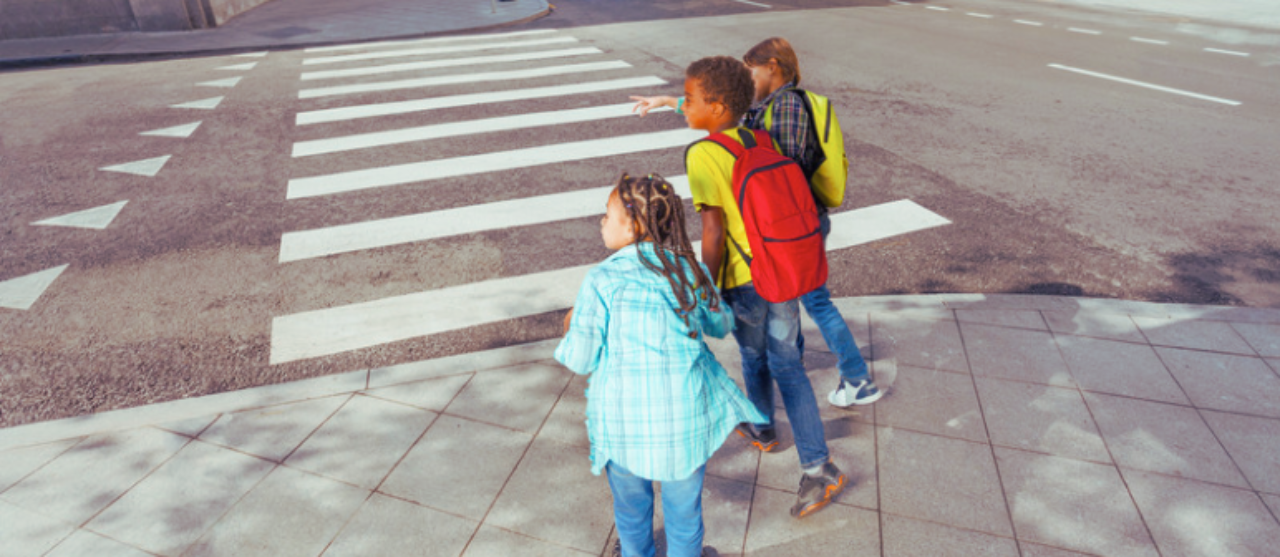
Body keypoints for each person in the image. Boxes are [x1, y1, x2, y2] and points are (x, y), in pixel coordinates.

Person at [631, 38, 883, 409]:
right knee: (800, 301)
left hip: (794, 226)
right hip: (788, 226)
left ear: (773, 66)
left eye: (751, 69)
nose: (748, 77)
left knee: (815, 300)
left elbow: (783, 171)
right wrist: (670, 103)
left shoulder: (785, 107)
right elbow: (729, 119)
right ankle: (797, 366)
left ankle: (856, 377)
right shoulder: (767, 107)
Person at [556, 173, 764, 557]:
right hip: (685, 421)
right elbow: (718, 324)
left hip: (623, 425)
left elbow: (580, 358)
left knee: (632, 511)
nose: (601, 222)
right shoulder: (686, 271)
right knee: (685, 514)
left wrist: (572, 325)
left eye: (607, 214)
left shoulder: (602, 279)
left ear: (633, 226)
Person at [676, 55, 846, 518]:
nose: (683, 107)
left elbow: (712, 230)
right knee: (783, 361)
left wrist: (705, 286)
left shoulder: (702, 154)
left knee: (759, 357)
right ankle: (773, 435)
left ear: (714, 108)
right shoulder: (758, 134)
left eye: (688, 100)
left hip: (744, 280)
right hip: (781, 270)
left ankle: (803, 455)